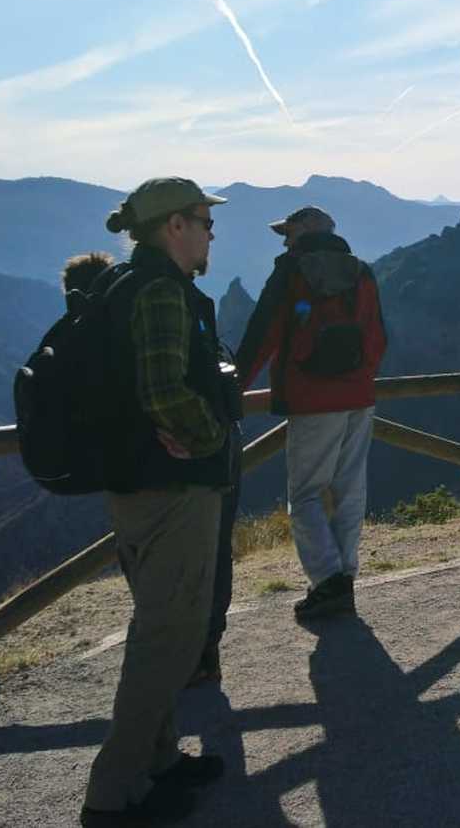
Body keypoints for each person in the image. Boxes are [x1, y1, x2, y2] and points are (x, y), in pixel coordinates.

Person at [83, 178, 239, 827]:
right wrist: (209, 436)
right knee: (168, 639)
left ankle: (161, 762)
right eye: (204, 220)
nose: (211, 232)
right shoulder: (161, 292)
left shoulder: (127, 283)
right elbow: (164, 391)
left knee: (162, 627)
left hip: (139, 485)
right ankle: (111, 794)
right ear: (174, 225)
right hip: (171, 491)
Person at [234, 206, 388, 625]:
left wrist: (234, 390)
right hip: (359, 397)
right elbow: (377, 337)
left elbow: (262, 335)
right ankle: (344, 578)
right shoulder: (361, 272)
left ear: (305, 230)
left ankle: (327, 581)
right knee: (350, 490)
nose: (284, 241)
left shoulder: (291, 272)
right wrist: (359, 379)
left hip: (311, 399)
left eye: (288, 232)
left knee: (304, 495)